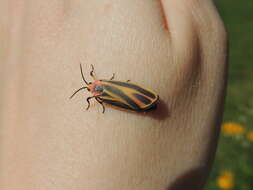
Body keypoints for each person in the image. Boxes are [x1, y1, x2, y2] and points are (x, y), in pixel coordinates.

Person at [0, 0, 227, 189]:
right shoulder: (100, 89)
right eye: (90, 87)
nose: (90, 86)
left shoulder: (99, 92)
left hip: (125, 96)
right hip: (126, 95)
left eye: (90, 85)